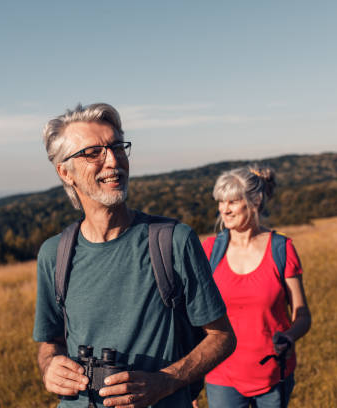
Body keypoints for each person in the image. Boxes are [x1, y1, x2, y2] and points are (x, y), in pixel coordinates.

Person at [33, 103, 236, 408]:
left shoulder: (173, 241)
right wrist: (49, 365)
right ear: (65, 172)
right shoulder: (54, 254)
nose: (113, 161)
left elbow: (222, 336)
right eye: (93, 153)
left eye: (117, 147)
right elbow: (51, 342)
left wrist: (166, 381)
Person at [202, 166, 311, 408]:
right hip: (221, 374)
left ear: (255, 201)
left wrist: (290, 337)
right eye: (221, 201)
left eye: (233, 201)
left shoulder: (281, 249)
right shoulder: (209, 251)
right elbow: (193, 317)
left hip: (273, 373)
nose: (224, 209)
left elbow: (302, 314)